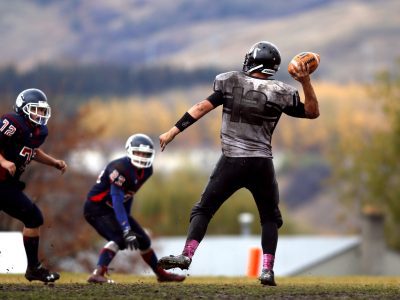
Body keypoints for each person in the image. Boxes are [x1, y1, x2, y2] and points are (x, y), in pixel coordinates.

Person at [157, 41, 320, 286]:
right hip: (262, 163)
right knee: (269, 218)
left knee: (203, 209)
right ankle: (267, 270)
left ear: (254, 61)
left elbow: (201, 107)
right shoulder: (280, 90)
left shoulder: (231, 81)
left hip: (233, 160)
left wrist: (173, 131)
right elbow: (312, 112)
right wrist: (305, 82)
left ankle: (186, 255)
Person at [83, 133, 186, 284]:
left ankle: (160, 274)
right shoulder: (119, 168)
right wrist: (126, 228)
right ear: (130, 151)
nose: (142, 156)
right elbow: (117, 199)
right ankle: (97, 273)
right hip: (97, 208)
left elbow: (129, 195)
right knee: (119, 239)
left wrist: (127, 220)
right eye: (138, 152)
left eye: (145, 154)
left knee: (144, 241)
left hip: (113, 209)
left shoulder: (147, 170)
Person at [0, 88, 67, 283]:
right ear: (23, 108)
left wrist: (54, 162)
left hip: (7, 185)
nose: (39, 114)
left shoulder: (39, 131)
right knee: (33, 216)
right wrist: (3, 162)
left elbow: (33, 151)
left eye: (42, 110)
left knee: (33, 217)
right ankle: (34, 268)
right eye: (35, 109)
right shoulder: (12, 122)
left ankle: (33, 269)